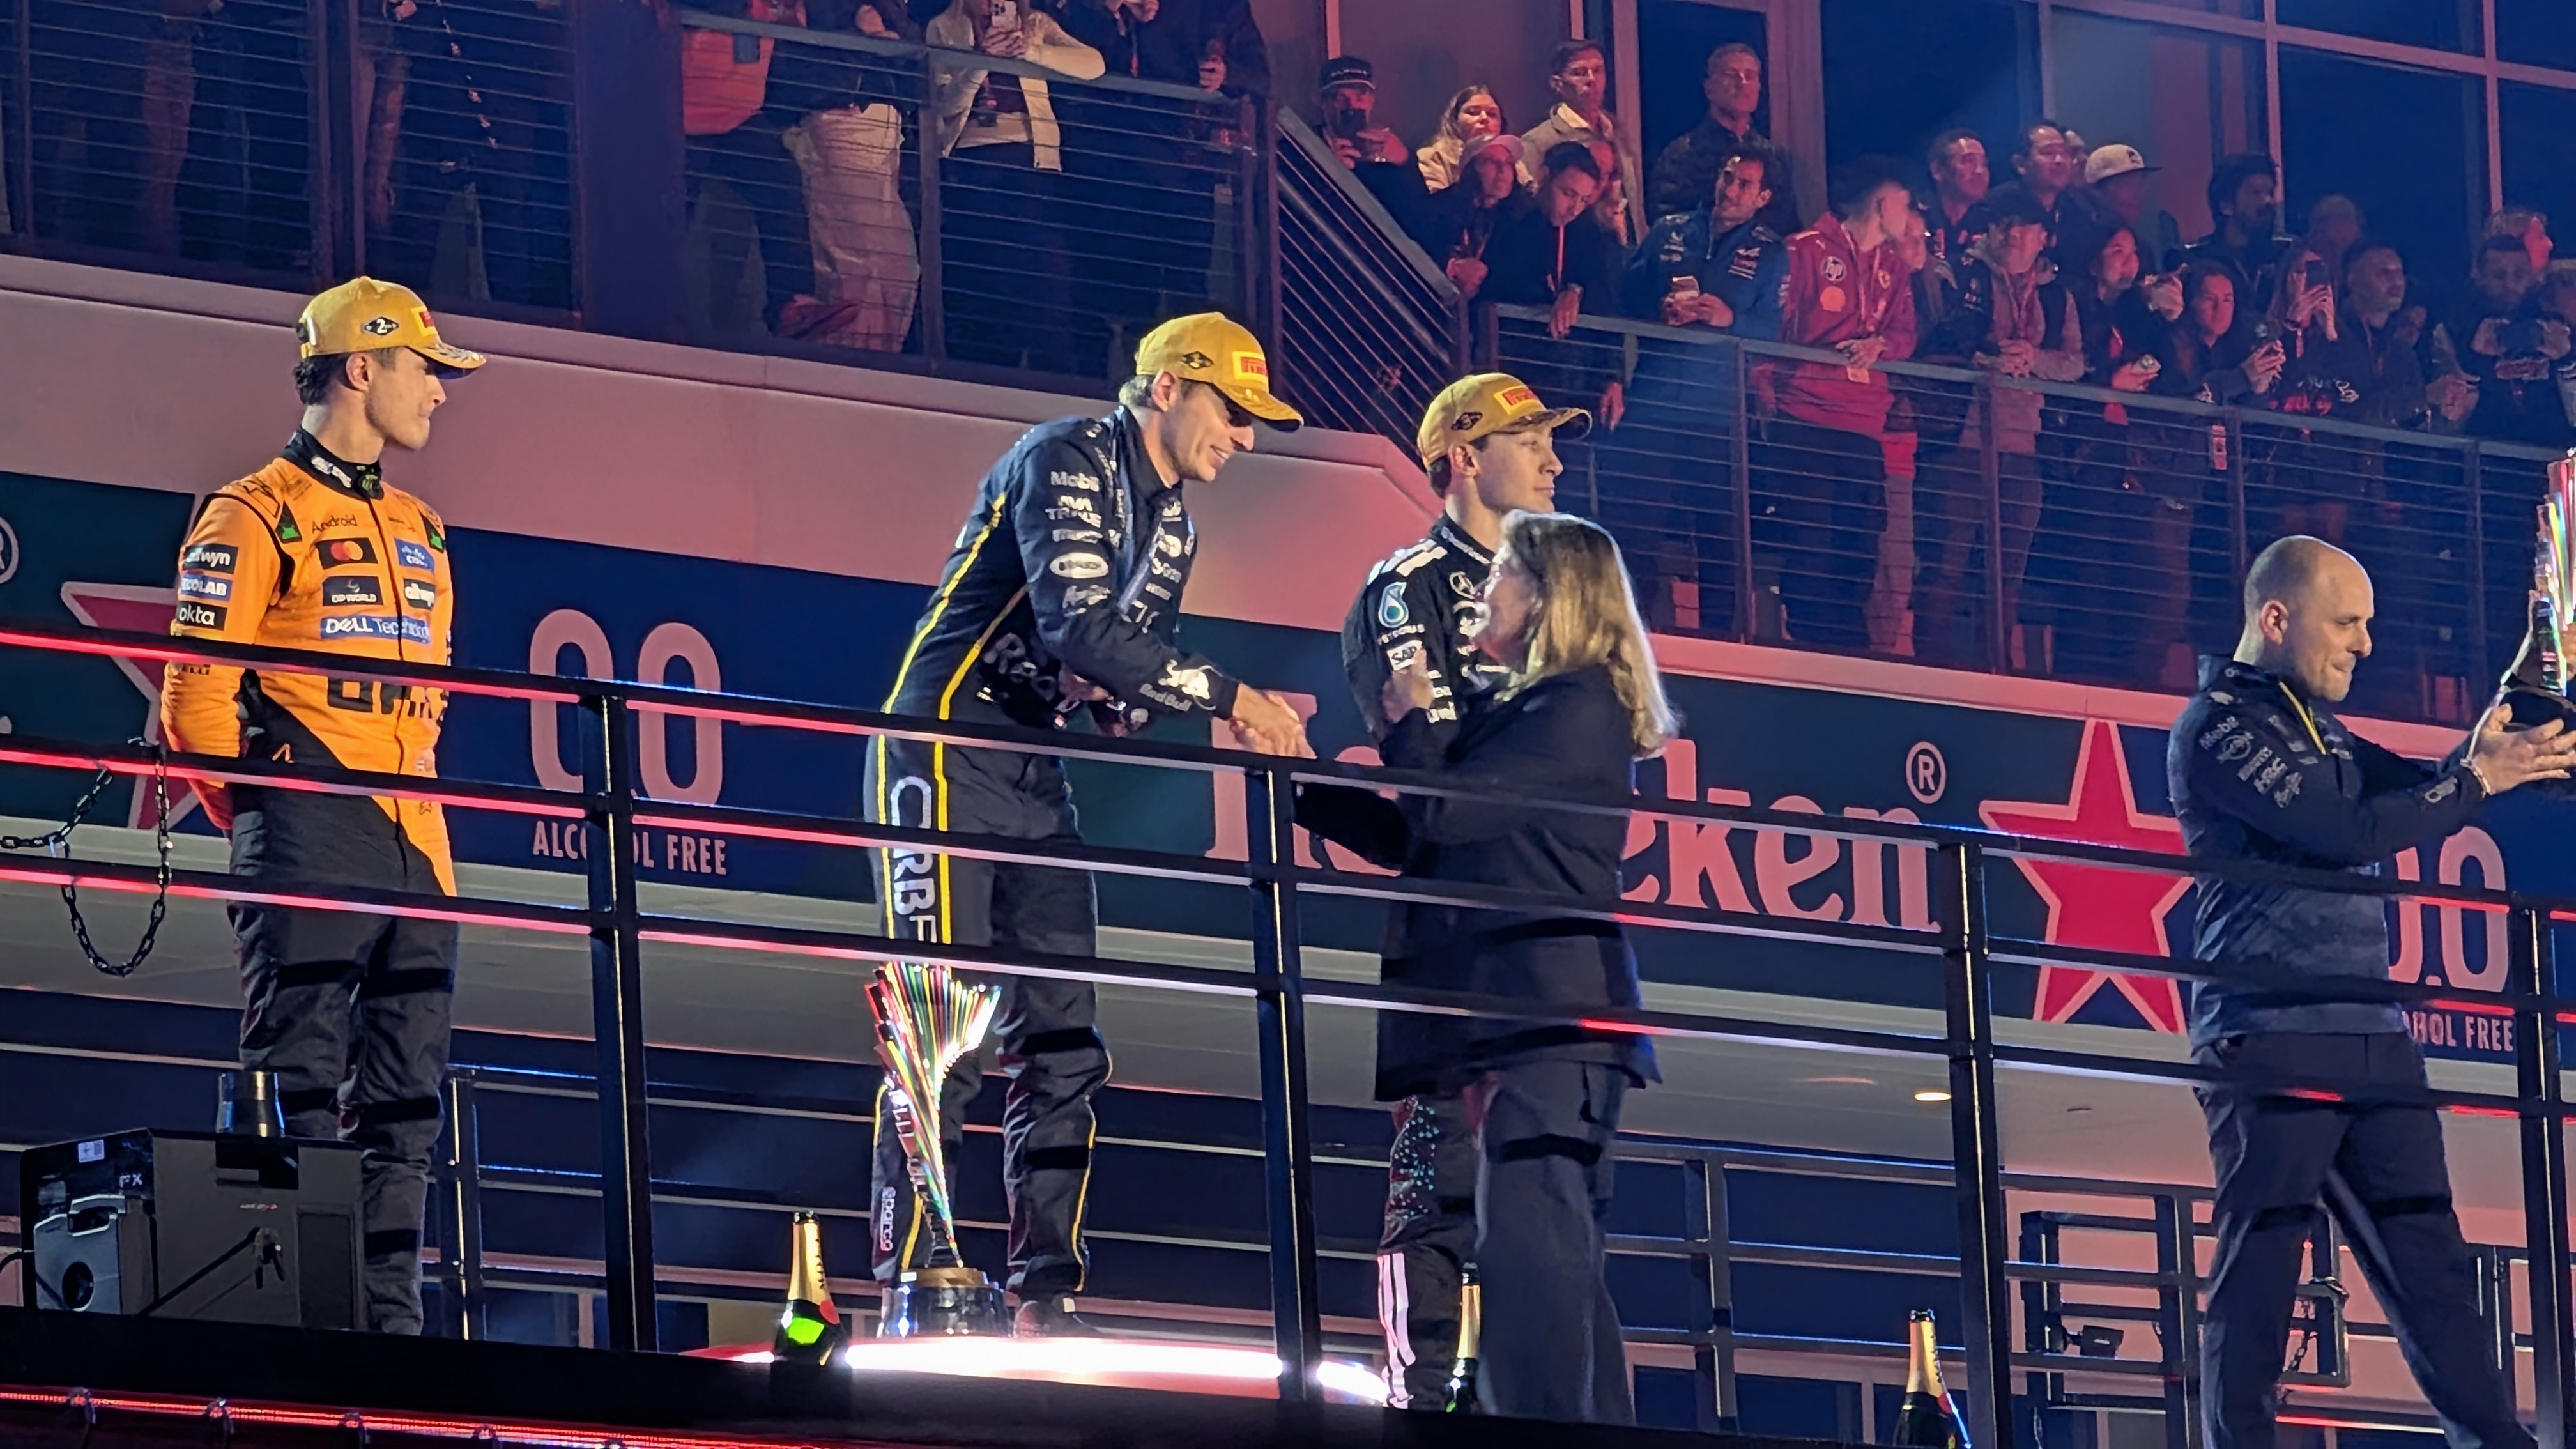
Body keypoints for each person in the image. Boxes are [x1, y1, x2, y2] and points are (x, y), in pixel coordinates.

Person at [862, 314, 1308, 1335]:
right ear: (1169, 388)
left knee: (1065, 1040)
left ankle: (1046, 1291)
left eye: (1253, 423)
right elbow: (1079, 626)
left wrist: (1120, 698)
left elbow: (1119, 677)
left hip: (1034, 767)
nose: (1243, 439)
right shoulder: (1066, 453)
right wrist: (1234, 697)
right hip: (942, 746)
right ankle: (912, 1280)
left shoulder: (1177, 528)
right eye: (1234, 412)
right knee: (940, 1028)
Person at [2169, 535, 2576, 1449]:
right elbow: (2347, 829)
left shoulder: (2317, 726)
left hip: (2371, 1032)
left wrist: (2510, 721)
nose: (2365, 644)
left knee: (2432, 1266)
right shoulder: (2219, 725)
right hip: (2270, 1029)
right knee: (2264, 1263)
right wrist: (2476, 776)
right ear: (2278, 618)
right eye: (2348, 623)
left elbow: (2426, 787)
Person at [160, 278, 486, 1335]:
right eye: (424, 367)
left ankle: (389, 1331)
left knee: (407, 1103)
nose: (438, 390)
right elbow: (194, 696)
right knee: (297, 1087)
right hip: (310, 819)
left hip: (421, 839)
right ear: (361, 367)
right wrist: (266, 813)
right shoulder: (251, 511)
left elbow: (434, 696)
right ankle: (300, 1328)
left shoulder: (424, 527)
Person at [1302, 509, 1673, 1423]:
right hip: (1518, 1019)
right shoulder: (1527, 713)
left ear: (1550, 598)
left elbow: (1446, 813)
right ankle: (1574, 1423)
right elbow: (1432, 841)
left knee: (1534, 1250)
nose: (1484, 590)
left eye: (1504, 571)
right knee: (1546, 1250)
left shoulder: (1578, 705)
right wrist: (1300, 792)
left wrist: (1406, 725)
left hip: (1549, 1017)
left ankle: (1541, 1426)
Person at [1338, 374, 1591, 1409]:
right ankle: (1422, 1393)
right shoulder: (1406, 586)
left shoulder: (1560, 596)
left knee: (1555, 1199)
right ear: (1463, 455)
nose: (1554, 460)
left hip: (1549, 929)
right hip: (1458, 933)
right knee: (1440, 1177)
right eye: (1529, 439)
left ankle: (1543, 1406)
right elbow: (1438, 780)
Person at [1612, 141, 1788, 632]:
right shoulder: (1671, 230)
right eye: (1728, 177)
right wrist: (1658, 312)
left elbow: (1772, 331)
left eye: (1744, 184)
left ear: (1763, 197)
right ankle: (1633, 633)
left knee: (1722, 538)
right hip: (1652, 405)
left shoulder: (1770, 252)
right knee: (1636, 530)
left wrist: (1730, 320)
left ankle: (1723, 645)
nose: (1731, 190)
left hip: (1717, 415)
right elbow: (1625, 299)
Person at [1752, 155, 1919, 650]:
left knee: (1859, 545)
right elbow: (1771, 327)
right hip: (1806, 417)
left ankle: (1849, 652)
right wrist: (1766, 393)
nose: (1911, 214)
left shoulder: (1894, 267)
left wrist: (1880, 345)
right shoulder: (1803, 250)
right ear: (1883, 205)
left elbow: (1905, 333)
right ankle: (1812, 652)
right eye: (1905, 204)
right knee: (1811, 543)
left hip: (1865, 424)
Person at [1915, 190, 2085, 668]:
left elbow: (2076, 363)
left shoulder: (2056, 294)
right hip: (1959, 439)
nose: (2011, 234)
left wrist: (2034, 359)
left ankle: (1997, 671)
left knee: (2009, 574)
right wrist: (1981, 358)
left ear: (2043, 237)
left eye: (2022, 226)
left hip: (2024, 445)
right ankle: (1930, 669)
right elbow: (1927, 341)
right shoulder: (1958, 273)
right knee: (1945, 564)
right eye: (2003, 224)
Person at [925, 0, 1105, 371]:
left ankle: (1052, 382)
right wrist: (981, 60)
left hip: (1034, 162)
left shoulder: (1034, 23)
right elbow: (945, 104)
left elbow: (1094, 65)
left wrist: (1030, 51)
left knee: (1047, 283)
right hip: (973, 162)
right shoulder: (943, 27)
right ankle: (988, 378)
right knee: (986, 289)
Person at [775, 0, 922, 353]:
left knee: (896, 267)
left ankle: (874, 365)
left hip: (884, 119)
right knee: (860, 266)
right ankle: (849, 367)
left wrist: (888, 33)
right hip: (841, 111)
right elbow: (800, 36)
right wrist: (863, 33)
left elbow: (913, 45)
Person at [2431, 234, 2573, 448]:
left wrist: (2567, 361)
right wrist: (2472, 361)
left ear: (2532, 276)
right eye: (2499, 276)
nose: (2510, 285)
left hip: (2551, 454)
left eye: (2519, 274)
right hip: (2482, 454)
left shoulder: (2555, 323)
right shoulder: (2454, 329)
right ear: (2479, 276)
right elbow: (2447, 421)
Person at [1481, 142, 1620, 339]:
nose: (1575, 209)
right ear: (1544, 176)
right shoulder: (1509, 219)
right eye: (1568, 194)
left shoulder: (1586, 228)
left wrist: (1574, 291)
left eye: (1584, 200)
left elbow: (1596, 284)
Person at [1519, 39, 1643, 247]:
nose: (1592, 80)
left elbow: (1634, 203)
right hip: (1572, 251)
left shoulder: (1617, 133)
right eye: (1580, 73)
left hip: (1625, 249)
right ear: (1557, 83)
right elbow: (1528, 209)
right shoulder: (1539, 142)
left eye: (1598, 71)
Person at [1649, 42, 1775, 224]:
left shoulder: (1771, 157)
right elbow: (1667, 224)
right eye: (1731, 75)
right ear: (1709, 89)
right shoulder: (1682, 156)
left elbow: (1786, 224)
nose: (1742, 83)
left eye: (1750, 76)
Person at [1413, 134, 1527, 301]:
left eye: (1509, 163)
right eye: (1491, 161)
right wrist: (1453, 267)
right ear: (1471, 169)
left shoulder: (1517, 219)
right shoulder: (1438, 209)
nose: (1503, 171)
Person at [2183, 153, 2290, 310]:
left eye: (2270, 193)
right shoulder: (2194, 259)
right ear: (2226, 206)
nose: (2268, 201)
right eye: (2256, 193)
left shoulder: (2287, 253)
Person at [1972, 121, 2076, 256]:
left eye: (2064, 152)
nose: (2059, 160)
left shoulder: (2076, 206)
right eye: (2048, 152)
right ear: (2021, 164)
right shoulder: (1997, 206)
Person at [2078, 142, 2182, 273]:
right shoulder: (2078, 248)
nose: (2137, 193)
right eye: (2126, 184)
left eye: (2140, 184)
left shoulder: (2143, 252)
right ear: (2096, 191)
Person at [1418, 85, 1508, 194]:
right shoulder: (1434, 158)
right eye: (1473, 112)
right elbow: (1436, 202)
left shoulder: (1514, 164)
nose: (1484, 118)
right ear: (1455, 121)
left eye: (1492, 114)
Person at [1924, 128, 1989, 272]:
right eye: (1969, 161)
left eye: (1984, 164)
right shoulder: (1917, 217)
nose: (1979, 171)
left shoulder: (1991, 222)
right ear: (1937, 171)